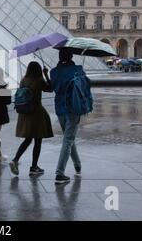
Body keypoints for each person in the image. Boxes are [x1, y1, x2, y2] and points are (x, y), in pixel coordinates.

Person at [50, 49, 93, 185]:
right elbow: (86, 86)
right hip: (74, 108)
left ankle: (77, 165)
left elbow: (52, 87)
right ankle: (59, 173)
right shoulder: (78, 69)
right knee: (68, 139)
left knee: (69, 138)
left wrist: (46, 75)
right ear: (71, 56)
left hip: (60, 108)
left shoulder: (53, 72)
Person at [9, 62, 54, 177]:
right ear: (38, 70)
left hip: (25, 113)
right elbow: (50, 88)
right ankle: (34, 167)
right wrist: (46, 75)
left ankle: (15, 160)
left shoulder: (24, 80)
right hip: (36, 113)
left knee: (28, 139)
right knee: (38, 141)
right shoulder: (39, 80)